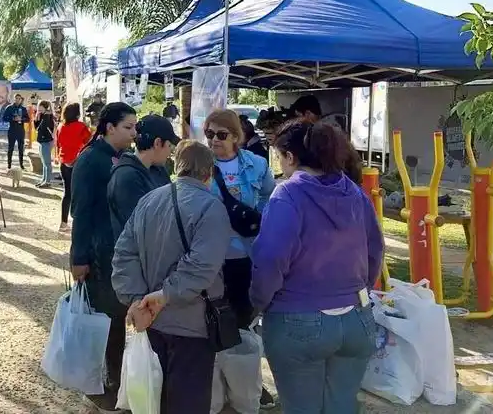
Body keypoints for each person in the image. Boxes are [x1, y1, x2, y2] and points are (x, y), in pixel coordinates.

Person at [250, 120, 384, 414]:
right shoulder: (354, 192)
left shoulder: (288, 194)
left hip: (296, 319)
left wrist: (259, 302)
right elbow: (375, 250)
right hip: (356, 319)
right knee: (342, 407)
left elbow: (271, 258)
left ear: (290, 157)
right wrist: (359, 291)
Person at [113, 140, 232, 414]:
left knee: (151, 403)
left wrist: (136, 300)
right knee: (187, 404)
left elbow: (123, 254)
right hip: (191, 327)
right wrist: (164, 296)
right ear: (209, 173)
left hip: (150, 323)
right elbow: (201, 266)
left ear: (176, 167)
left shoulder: (149, 200)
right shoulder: (210, 207)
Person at [204, 108, 276, 409]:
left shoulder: (257, 165)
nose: (214, 141)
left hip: (246, 255)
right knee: (211, 319)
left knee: (245, 319)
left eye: (221, 135)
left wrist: (252, 218)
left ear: (236, 137)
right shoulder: (200, 165)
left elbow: (270, 200)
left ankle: (247, 382)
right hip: (211, 256)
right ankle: (216, 384)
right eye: (209, 134)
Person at [69, 102, 137, 410]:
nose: (134, 133)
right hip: (97, 252)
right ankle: (98, 383)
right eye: (128, 127)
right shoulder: (90, 159)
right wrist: (79, 257)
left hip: (116, 250)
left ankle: (115, 379)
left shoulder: (121, 157)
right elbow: (80, 212)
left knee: (116, 317)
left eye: (135, 127)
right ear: (109, 127)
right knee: (103, 319)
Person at [107, 114, 177, 239]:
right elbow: (141, 228)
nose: (170, 152)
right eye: (169, 146)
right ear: (157, 143)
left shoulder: (158, 169)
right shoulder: (126, 177)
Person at [56, 102, 91, 230]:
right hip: (77, 161)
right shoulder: (81, 126)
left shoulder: (60, 126)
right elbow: (88, 142)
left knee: (67, 193)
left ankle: (63, 222)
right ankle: (77, 221)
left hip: (63, 161)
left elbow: (58, 143)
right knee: (80, 193)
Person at [3, 94, 29, 170]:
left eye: (19, 98)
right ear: (13, 99)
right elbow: (4, 118)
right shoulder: (9, 108)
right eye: (16, 98)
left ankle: (21, 164)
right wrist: (13, 119)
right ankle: (9, 164)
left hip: (20, 131)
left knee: (21, 148)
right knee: (10, 148)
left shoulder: (23, 109)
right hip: (12, 130)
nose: (17, 100)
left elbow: (28, 119)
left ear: (21, 99)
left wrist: (21, 119)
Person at [34, 99, 56, 188]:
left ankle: (48, 181)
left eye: (40, 106)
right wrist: (36, 118)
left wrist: (40, 118)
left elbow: (44, 128)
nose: (38, 108)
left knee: (47, 162)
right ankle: (44, 179)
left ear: (45, 107)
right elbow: (36, 127)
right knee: (43, 162)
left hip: (46, 141)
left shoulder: (48, 116)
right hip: (42, 141)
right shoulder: (42, 116)